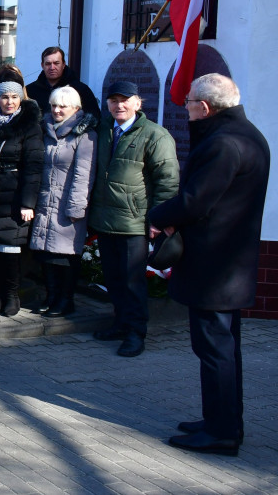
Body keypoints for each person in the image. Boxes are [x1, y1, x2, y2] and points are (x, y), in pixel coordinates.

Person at [148, 74, 269, 457]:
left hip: (215, 266)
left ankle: (221, 432)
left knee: (215, 349)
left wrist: (159, 214)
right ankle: (225, 422)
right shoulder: (248, 135)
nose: (186, 110)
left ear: (205, 107)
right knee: (224, 349)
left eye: (188, 104)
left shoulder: (224, 143)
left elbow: (195, 201)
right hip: (227, 262)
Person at [89, 81, 179, 357]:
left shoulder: (155, 136)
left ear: (138, 103)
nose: (119, 105)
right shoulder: (104, 129)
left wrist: (158, 219)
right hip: (105, 220)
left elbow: (167, 181)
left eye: (125, 100)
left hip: (134, 223)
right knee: (114, 279)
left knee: (132, 281)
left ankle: (136, 333)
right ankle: (120, 323)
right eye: (114, 100)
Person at [29, 86, 97, 318]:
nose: (57, 110)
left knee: (66, 255)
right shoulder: (45, 129)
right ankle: (51, 296)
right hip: (45, 200)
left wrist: (76, 206)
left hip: (68, 203)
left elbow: (83, 174)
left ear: (76, 109)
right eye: (54, 105)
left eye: (63, 106)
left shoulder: (85, 135)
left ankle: (65, 300)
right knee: (46, 252)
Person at [0, 81, 43, 317]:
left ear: (20, 99)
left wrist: (28, 203)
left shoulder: (30, 126)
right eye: (4, 97)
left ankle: (12, 296)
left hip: (14, 193)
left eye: (14, 97)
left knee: (10, 248)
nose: (9, 102)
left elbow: (34, 167)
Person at [25, 46, 99, 117]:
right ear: (42, 65)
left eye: (56, 63)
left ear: (63, 64)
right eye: (48, 64)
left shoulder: (81, 90)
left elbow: (94, 117)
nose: (52, 67)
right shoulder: (29, 91)